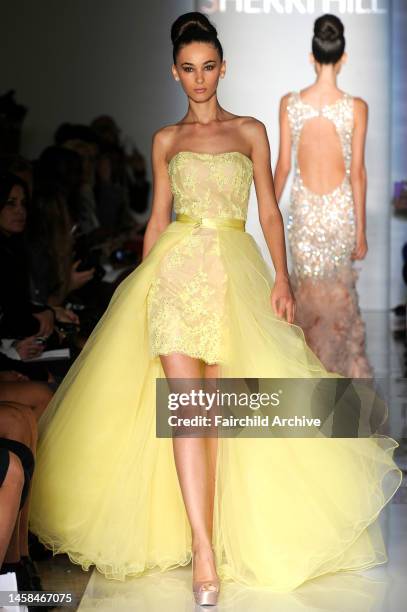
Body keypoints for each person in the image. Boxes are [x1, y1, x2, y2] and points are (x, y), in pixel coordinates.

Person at [29, 12, 401, 607]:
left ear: (222, 68)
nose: (199, 79)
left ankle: (219, 530)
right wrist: (140, 286)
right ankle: (203, 548)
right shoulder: (165, 140)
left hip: (234, 272)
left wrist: (281, 277)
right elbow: (156, 220)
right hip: (175, 273)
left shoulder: (252, 130)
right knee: (187, 411)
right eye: (187, 69)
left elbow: (270, 213)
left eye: (208, 67)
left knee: (219, 411)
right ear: (173, 72)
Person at [274, 14, 373, 378]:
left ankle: (308, 388)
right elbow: (357, 172)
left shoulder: (289, 104)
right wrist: (361, 230)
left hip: (303, 219)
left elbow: (283, 167)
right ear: (343, 57)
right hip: (338, 218)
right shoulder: (357, 107)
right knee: (340, 310)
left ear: (312, 57)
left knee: (307, 307)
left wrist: (267, 211)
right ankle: (341, 399)